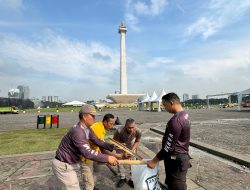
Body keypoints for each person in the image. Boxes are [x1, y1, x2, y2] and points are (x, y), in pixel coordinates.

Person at [52, 104, 118, 190]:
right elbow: (87, 152)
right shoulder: (78, 131)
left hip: (69, 164)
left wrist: (112, 147)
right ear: (84, 116)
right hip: (63, 165)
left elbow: (97, 141)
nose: (94, 118)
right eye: (92, 116)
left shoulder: (87, 129)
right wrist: (107, 158)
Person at [147, 93, 192, 190]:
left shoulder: (175, 120)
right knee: (173, 184)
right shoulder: (185, 115)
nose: (164, 108)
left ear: (171, 103)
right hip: (182, 156)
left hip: (176, 158)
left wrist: (154, 161)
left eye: (165, 105)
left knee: (176, 186)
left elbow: (168, 147)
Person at [81, 113, 125, 190]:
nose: (112, 126)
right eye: (111, 124)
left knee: (98, 169)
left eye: (113, 124)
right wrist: (117, 155)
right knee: (88, 180)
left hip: (94, 153)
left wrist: (113, 149)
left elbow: (102, 144)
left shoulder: (101, 127)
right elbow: (102, 147)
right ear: (105, 122)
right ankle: (90, 186)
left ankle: (92, 186)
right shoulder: (97, 128)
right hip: (87, 156)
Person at [113, 118, 142, 188]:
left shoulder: (138, 131)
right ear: (125, 126)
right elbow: (115, 142)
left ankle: (132, 179)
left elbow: (137, 141)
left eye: (132, 127)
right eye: (129, 128)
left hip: (131, 145)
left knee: (133, 163)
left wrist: (131, 151)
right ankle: (122, 177)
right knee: (120, 162)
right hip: (120, 145)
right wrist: (124, 152)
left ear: (135, 126)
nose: (131, 129)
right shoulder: (119, 131)